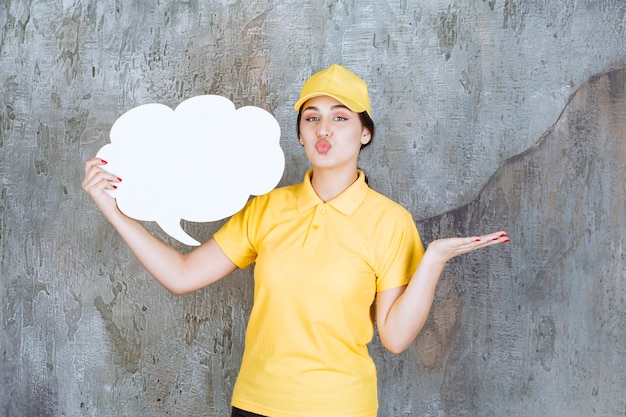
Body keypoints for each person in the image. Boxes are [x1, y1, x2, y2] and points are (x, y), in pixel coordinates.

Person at [83, 64, 509, 417]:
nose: (324, 128)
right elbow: (181, 275)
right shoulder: (267, 209)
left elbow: (395, 338)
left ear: (364, 133)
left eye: (341, 117)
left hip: (340, 407)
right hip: (254, 403)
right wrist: (112, 210)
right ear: (302, 135)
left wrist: (433, 259)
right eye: (312, 118)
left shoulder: (390, 222)